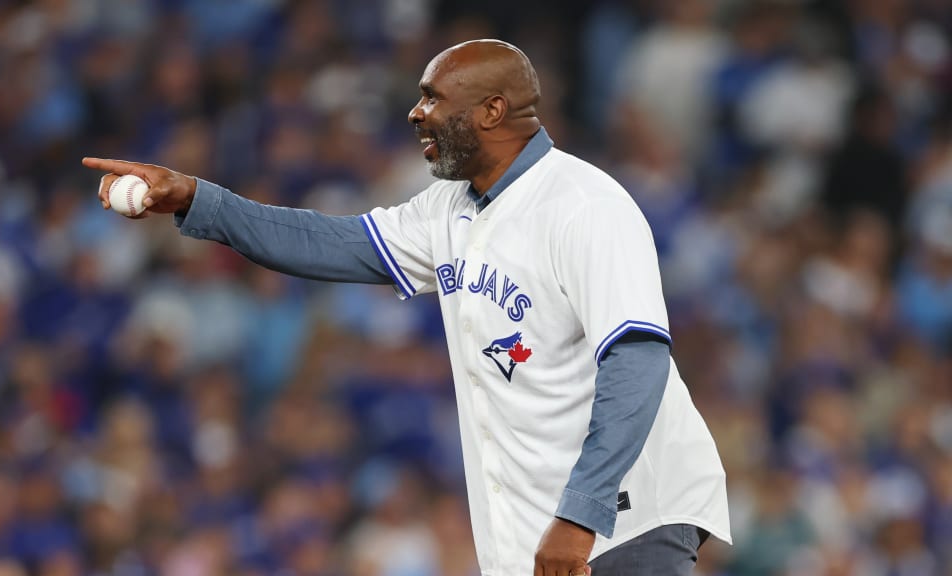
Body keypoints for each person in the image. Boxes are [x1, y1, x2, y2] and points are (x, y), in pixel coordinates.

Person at [83, 39, 731, 576]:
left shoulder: (583, 206)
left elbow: (638, 361)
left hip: (628, 514)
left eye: (434, 99)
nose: (417, 113)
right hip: (551, 530)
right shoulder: (449, 211)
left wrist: (582, 511)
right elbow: (328, 243)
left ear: (492, 111)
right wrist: (199, 199)